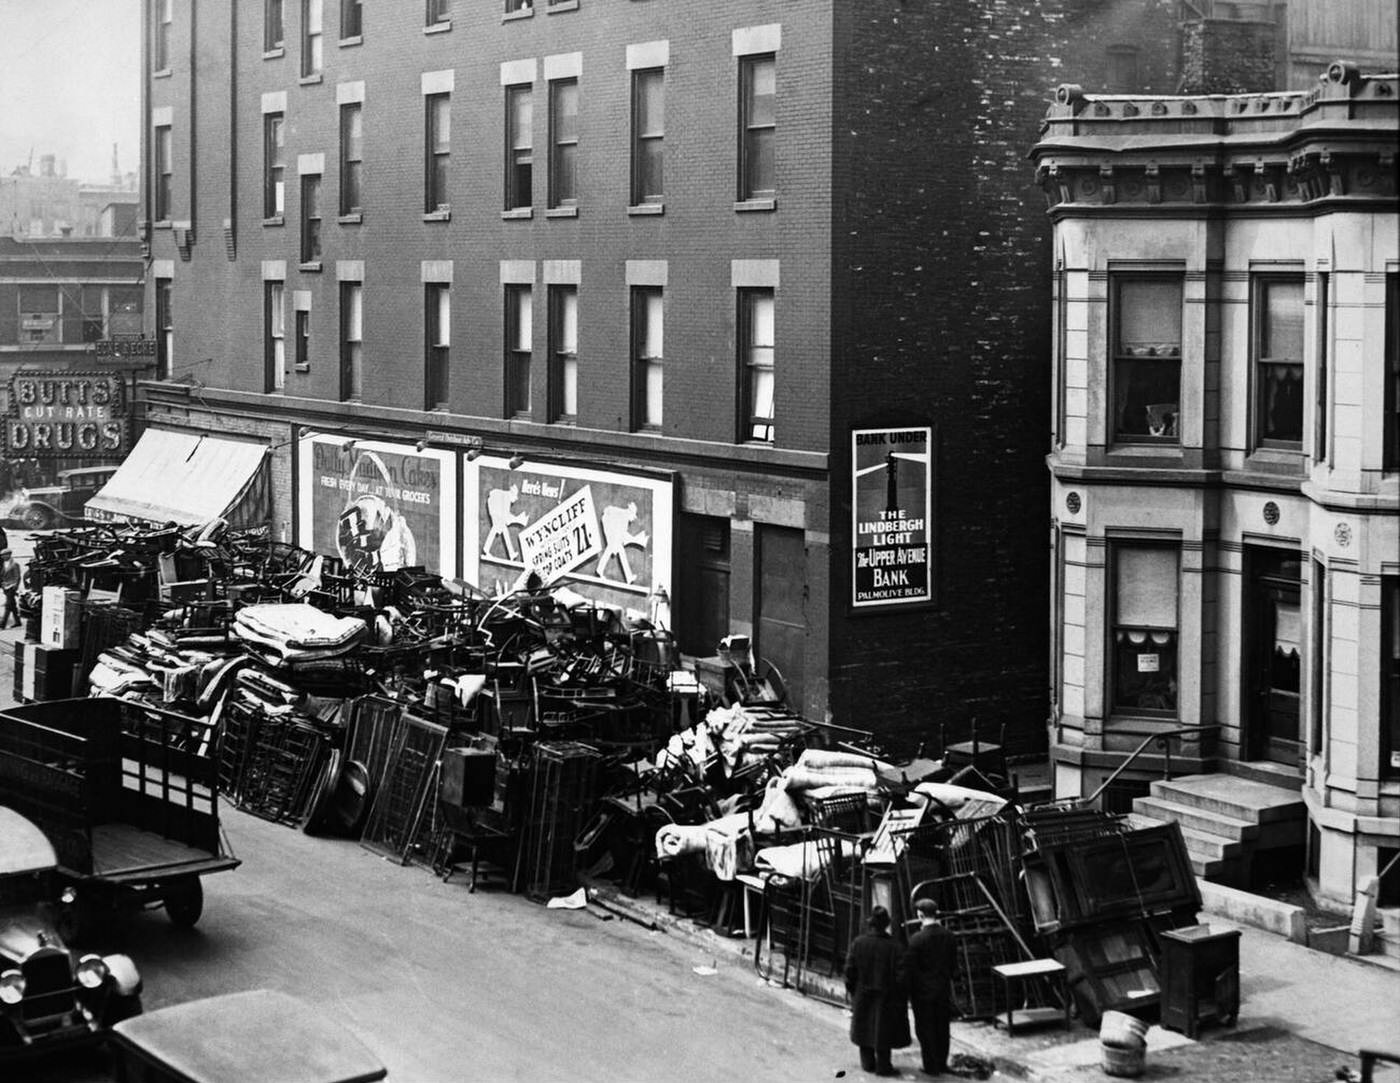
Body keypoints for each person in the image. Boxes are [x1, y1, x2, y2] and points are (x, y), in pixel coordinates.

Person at [844, 905, 910, 1077]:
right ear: (886, 925)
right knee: (883, 1031)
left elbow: (849, 971)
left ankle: (867, 1063)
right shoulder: (895, 947)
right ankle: (883, 1065)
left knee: (864, 1028)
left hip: (863, 993)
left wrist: (853, 990)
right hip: (886, 996)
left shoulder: (858, 943)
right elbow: (902, 976)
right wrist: (899, 996)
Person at [899, 898, 957, 1077]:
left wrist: (907, 991)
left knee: (925, 1029)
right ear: (936, 913)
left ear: (920, 915)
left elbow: (910, 968)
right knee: (942, 1027)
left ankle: (930, 1065)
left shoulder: (916, 940)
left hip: (922, 993)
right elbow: (953, 965)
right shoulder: (949, 936)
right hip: (942, 989)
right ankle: (942, 1062)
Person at [1, 549, 21, 629]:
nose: (3, 557)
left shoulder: (14, 564)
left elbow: (17, 576)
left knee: (8, 605)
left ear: (9, 555)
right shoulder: (4, 564)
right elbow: (3, 575)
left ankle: (3, 623)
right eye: (2, 555)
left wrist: (15, 587)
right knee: (12, 605)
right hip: (6, 586)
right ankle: (17, 621)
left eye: (4, 555)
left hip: (11, 587)